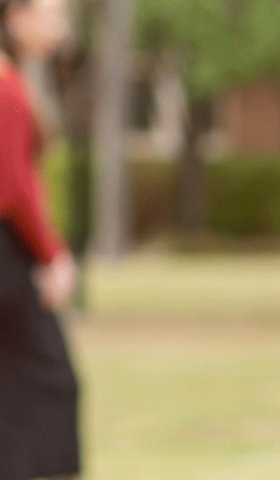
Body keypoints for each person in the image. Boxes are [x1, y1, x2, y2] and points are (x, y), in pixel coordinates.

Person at [0, 0, 80, 479]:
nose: (61, 25)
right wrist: (52, 254)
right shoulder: (6, 88)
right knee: (51, 384)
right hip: (7, 253)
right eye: (54, 12)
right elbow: (12, 183)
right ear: (16, 16)